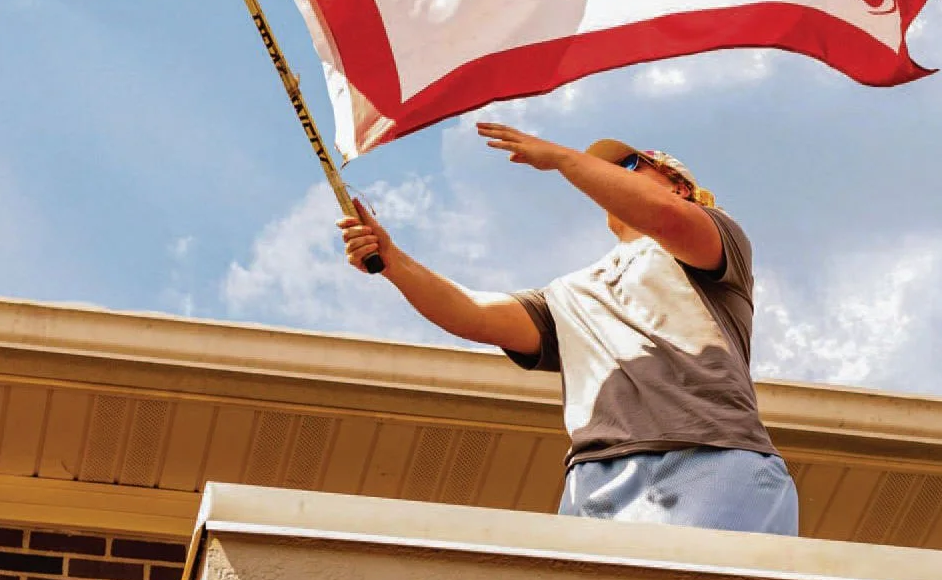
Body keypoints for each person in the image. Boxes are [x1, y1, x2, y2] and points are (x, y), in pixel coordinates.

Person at [339, 121, 798, 537]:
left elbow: (664, 218)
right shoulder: (568, 294)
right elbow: (472, 313)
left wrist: (560, 158)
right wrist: (393, 262)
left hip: (712, 457)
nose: (616, 173)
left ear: (680, 187)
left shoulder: (715, 237)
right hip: (594, 480)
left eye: (632, 164)